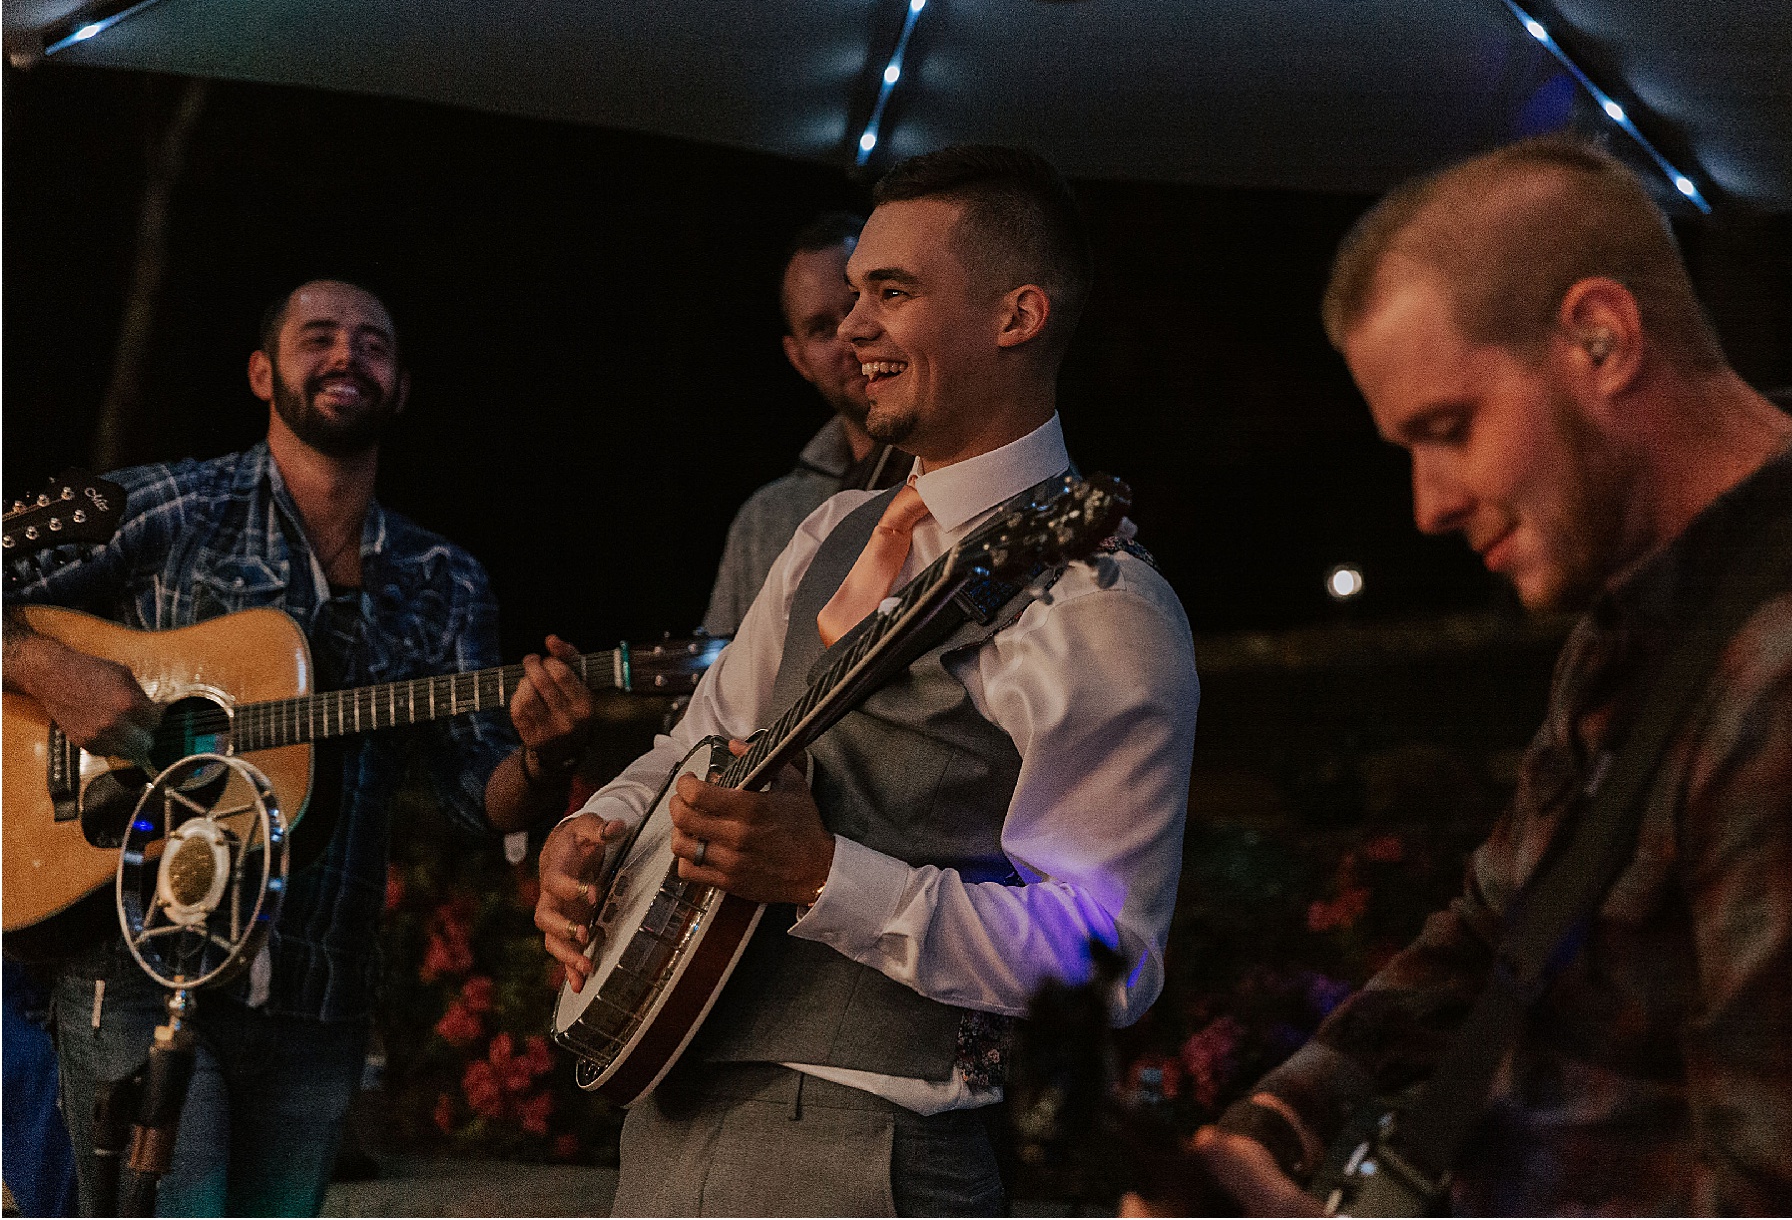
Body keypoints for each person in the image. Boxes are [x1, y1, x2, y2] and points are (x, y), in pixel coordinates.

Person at [1150, 137, 1792, 1216]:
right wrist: (1266, 1135)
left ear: (1600, 337)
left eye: (1446, 429)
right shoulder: (1650, 605)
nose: (1427, 504)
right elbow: (1496, 933)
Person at [536, 146, 1201, 1216]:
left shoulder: (1100, 607)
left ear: (1016, 314)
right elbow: (701, 734)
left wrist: (825, 877)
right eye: (852, 298)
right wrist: (602, 828)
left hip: (867, 1149)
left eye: (889, 293)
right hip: (666, 1114)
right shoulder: (826, 532)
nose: (851, 330)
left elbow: (1105, 958)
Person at [2, 279, 595, 1216]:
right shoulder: (173, 509)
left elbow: (475, 794)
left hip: (320, 1000)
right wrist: (48, 669)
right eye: (319, 337)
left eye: (374, 344)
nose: (347, 356)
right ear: (260, 370)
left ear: (400, 388)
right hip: (138, 969)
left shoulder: (444, 578)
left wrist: (546, 758)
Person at [701, 211, 913, 638]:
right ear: (798, 359)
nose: (850, 334)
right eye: (821, 329)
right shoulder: (765, 519)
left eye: (858, 303)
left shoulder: (953, 466)